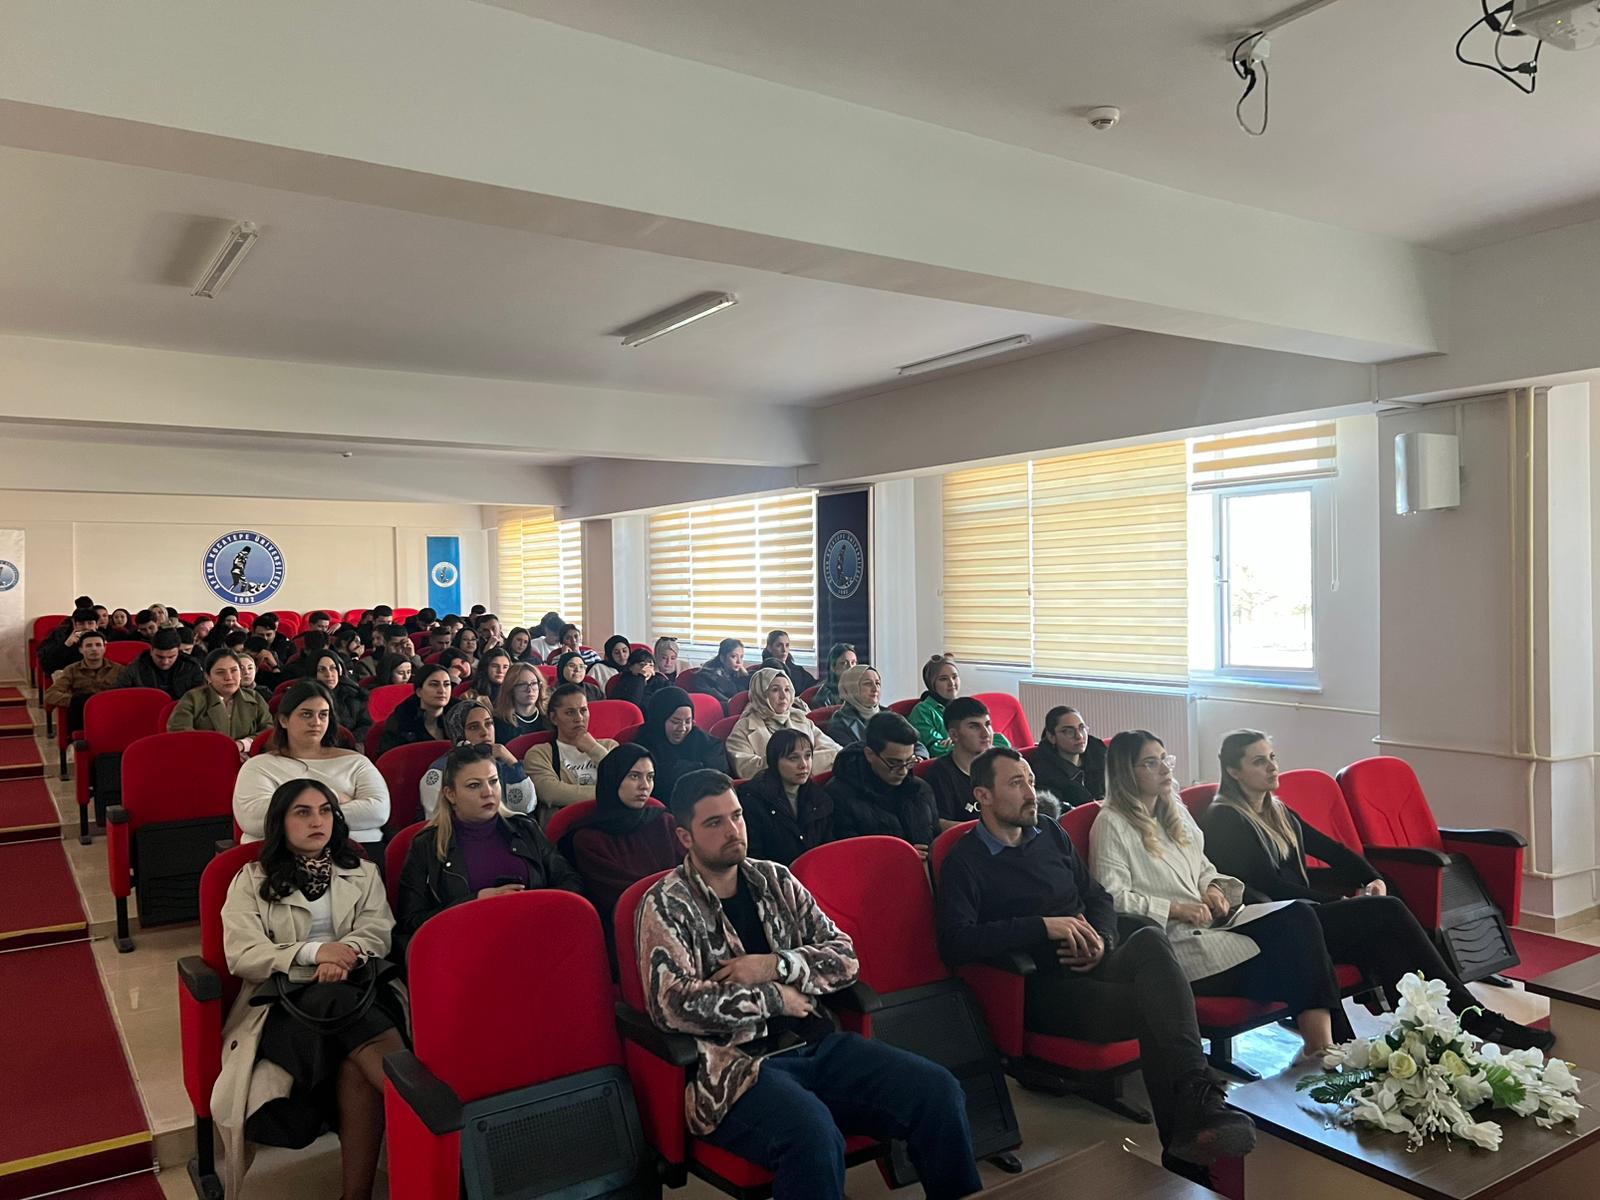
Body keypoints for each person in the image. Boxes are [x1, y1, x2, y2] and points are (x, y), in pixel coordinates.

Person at [636, 769, 983, 1200]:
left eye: (737, 816)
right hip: (737, 1069)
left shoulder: (775, 879)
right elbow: (674, 1005)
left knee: (938, 1091)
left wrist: (775, 966)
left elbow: (845, 958)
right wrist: (775, 998)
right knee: (812, 1135)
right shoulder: (666, 904)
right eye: (714, 823)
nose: (733, 831)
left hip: (817, 1045)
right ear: (685, 837)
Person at [936, 747, 1257, 1185]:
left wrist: (1103, 941)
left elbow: (1097, 897)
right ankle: (1190, 1134)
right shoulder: (966, 860)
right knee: (1157, 1005)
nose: (1030, 792)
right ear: (983, 796)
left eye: (1030, 781)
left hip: (1094, 958)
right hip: (1042, 985)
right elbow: (956, 942)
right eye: (1015, 783)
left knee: (1150, 939)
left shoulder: (1049, 832)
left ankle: (1196, 1108)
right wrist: (1042, 926)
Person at [1200, 730, 1553, 1052]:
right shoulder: (1225, 819)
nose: (1272, 766)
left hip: (1305, 916)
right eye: (1259, 761)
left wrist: (1372, 878)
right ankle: (1474, 1017)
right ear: (1233, 771)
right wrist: (1342, 901)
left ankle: (1420, 1036)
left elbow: (1334, 851)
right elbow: (1271, 887)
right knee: (1388, 911)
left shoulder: (1277, 811)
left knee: (1385, 937)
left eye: (1273, 757)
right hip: (1277, 926)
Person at [1090, 731, 1347, 1063]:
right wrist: (1176, 909)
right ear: (1127, 773)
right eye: (1151, 763)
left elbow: (1203, 867)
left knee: (1299, 916)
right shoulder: (1111, 824)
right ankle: (1328, 1048)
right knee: (1297, 957)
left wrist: (1213, 888)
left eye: (1165, 759)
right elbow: (1112, 898)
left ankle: (1323, 1046)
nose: (1165, 769)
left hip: (1212, 926)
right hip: (1174, 944)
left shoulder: (1174, 810)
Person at [212, 780, 404, 1200]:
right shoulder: (252, 880)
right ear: (280, 822)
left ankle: (356, 1196)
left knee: (355, 1066)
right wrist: (315, 953)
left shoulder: (362, 871)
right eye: (303, 812)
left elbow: (377, 932)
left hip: (359, 988)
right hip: (285, 1006)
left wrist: (345, 956)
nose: (317, 821)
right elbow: (242, 953)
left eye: (325, 811)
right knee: (334, 1001)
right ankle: (426, 1113)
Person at [394, 743, 582, 962]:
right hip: (463, 953)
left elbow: (571, 882)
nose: (488, 792)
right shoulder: (426, 844)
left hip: (536, 940)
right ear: (450, 794)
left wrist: (533, 904)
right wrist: (474, 903)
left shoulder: (525, 828)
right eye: (474, 786)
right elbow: (410, 921)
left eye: (493, 781)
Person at [233, 682, 390, 846]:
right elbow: (255, 820)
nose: (316, 722)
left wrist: (296, 810)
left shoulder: (357, 762)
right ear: (284, 720)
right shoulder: (259, 766)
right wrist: (334, 798)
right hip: (281, 853)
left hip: (359, 851)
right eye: (306, 714)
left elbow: (377, 812)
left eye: (323, 715)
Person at [566, 744, 684, 960]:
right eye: (634, 776)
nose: (644, 786)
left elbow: (693, 871)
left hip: (684, 918)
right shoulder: (588, 838)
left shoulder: (665, 821)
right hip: (632, 931)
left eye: (650, 777)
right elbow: (620, 897)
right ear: (613, 778)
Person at [826, 712, 938, 852]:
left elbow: (935, 836)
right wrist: (900, 855)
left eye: (909, 761)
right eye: (894, 763)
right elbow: (848, 854)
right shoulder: (839, 797)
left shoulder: (920, 789)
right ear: (870, 754)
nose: (903, 771)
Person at [417, 699, 536, 821]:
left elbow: (526, 808)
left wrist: (512, 762)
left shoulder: (503, 762)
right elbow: (436, 822)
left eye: (489, 724)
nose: (485, 732)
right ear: (459, 733)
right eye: (474, 727)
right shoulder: (439, 773)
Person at [738, 728, 834, 865]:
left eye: (808, 756)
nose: (803, 765)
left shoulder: (820, 798)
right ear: (774, 761)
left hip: (815, 872)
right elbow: (754, 857)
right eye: (793, 758)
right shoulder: (752, 799)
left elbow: (829, 849)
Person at [725, 669, 841, 781]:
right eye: (775, 690)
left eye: (787, 690)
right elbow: (747, 769)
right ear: (761, 694)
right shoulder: (744, 728)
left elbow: (834, 751)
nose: (783, 696)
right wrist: (803, 762)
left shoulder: (800, 719)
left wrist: (790, 763)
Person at [523, 684, 618, 813]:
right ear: (554, 718)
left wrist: (594, 749)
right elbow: (551, 793)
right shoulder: (539, 754)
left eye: (583, 710)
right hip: (569, 822)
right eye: (570, 712)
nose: (579, 718)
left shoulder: (610, 746)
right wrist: (613, 793)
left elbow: (623, 779)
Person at [923, 698, 1014, 829]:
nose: (986, 734)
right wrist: (991, 830)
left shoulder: (1003, 765)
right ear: (954, 735)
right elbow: (941, 824)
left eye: (988, 724)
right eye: (974, 726)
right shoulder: (940, 773)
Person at [168, 648, 274, 759]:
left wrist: (242, 744)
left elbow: (268, 731)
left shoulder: (255, 698)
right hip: (202, 759)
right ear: (208, 676)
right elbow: (179, 731)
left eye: (234, 670)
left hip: (249, 760)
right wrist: (222, 751)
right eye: (220, 672)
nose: (229, 677)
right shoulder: (193, 698)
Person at [635, 686, 729, 803]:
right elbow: (660, 780)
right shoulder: (644, 743)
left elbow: (719, 775)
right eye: (675, 722)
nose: (682, 728)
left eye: (688, 721)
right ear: (659, 720)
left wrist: (681, 769)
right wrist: (701, 767)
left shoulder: (705, 741)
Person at [910, 656, 1012, 758]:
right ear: (932, 683)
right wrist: (972, 744)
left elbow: (1001, 742)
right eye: (943, 679)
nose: (951, 683)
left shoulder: (963, 705)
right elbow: (936, 750)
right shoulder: (922, 711)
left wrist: (960, 743)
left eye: (954, 677)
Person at [824, 663, 923, 755]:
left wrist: (919, 757)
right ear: (851, 688)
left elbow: (918, 745)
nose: (875, 689)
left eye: (878, 683)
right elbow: (852, 756)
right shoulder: (840, 722)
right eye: (868, 684)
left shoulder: (889, 714)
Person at [1027, 706, 1105, 811]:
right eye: (1069, 731)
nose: (1079, 736)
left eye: (1082, 728)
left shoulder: (1100, 754)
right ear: (1051, 737)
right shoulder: (1042, 773)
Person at [43, 629, 121, 732]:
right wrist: (76, 700)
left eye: (98, 645)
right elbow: (50, 695)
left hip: (111, 714)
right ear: (80, 649)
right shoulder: (71, 670)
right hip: (82, 716)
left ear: (104, 648)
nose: (94, 649)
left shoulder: (119, 669)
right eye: (89, 646)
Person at [376, 664, 454, 757]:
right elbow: (389, 758)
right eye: (434, 684)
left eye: (447, 684)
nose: (442, 690)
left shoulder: (459, 715)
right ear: (419, 691)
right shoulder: (400, 720)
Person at [116, 628, 206, 699]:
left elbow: (200, 698)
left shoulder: (192, 667)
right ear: (151, 651)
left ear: (178, 652)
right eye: (160, 657)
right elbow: (120, 696)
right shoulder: (135, 668)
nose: (165, 662)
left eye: (171, 657)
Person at [309, 650, 374, 746]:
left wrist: (349, 741)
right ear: (313, 674)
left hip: (349, 746)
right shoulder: (304, 699)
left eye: (333, 668)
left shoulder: (354, 694)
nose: (329, 674)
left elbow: (366, 726)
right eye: (322, 670)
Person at [493, 662, 548, 741]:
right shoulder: (499, 722)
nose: (529, 690)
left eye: (534, 683)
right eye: (522, 684)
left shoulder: (550, 716)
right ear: (511, 689)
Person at [38, 606, 101, 675]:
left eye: (90, 623)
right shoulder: (61, 637)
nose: (86, 627)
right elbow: (48, 667)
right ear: (74, 624)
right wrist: (66, 645)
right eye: (81, 623)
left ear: (96, 625)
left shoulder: (102, 640)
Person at [689, 637, 748, 705]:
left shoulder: (739, 675)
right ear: (722, 658)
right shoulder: (706, 676)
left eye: (741, 657)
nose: (739, 661)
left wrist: (745, 677)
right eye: (733, 656)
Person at [761, 630, 817, 694]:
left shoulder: (799, 670)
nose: (784, 650)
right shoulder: (764, 674)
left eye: (787, 645)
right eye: (779, 645)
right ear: (769, 648)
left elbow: (814, 686)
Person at [810, 643, 857, 708]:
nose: (850, 667)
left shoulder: (862, 689)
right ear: (833, 667)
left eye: (853, 662)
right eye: (844, 663)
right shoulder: (824, 697)